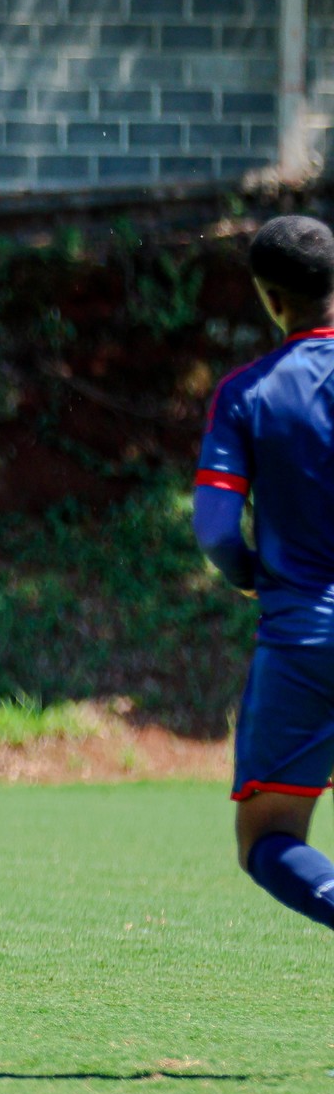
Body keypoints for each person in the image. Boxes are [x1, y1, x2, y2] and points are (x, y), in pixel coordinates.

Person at [194, 214, 334, 932]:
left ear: (271, 298)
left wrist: (251, 573)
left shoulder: (249, 393)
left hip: (304, 638)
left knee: (270, 839)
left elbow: (216, 528)